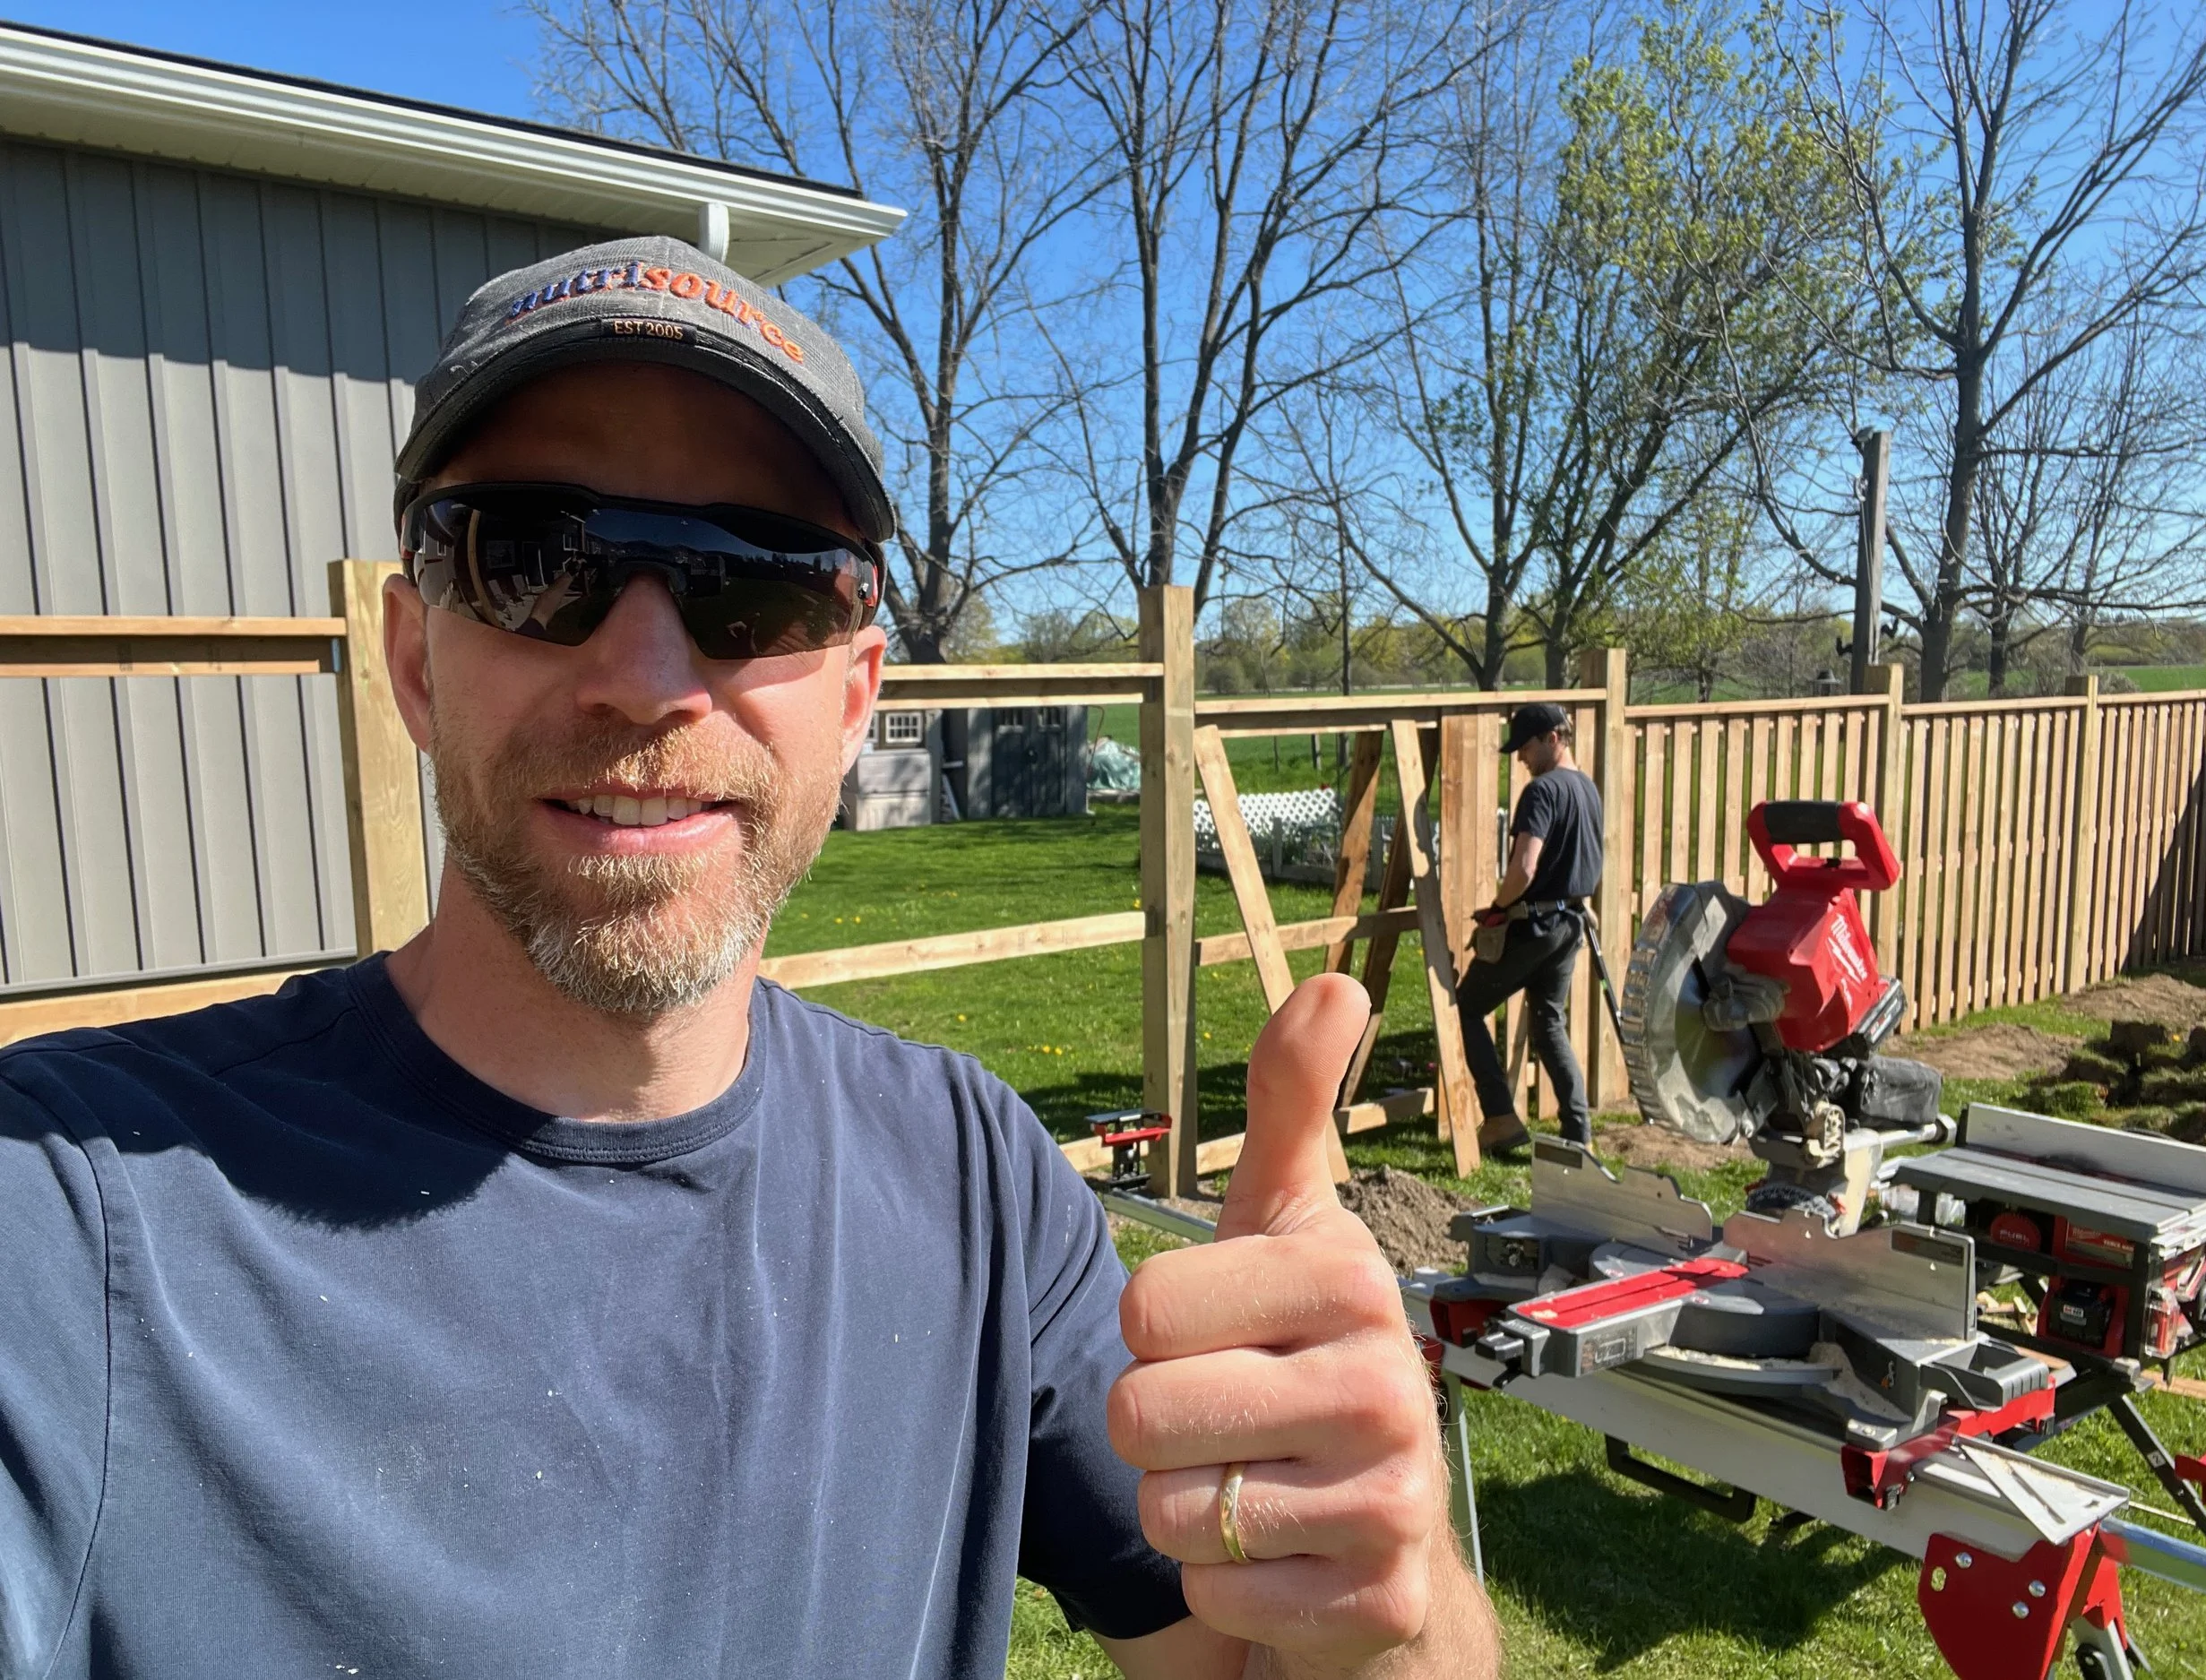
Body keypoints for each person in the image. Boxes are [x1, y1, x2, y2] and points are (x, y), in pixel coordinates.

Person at [0, 237, 1501, 1680]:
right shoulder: (73, 1219)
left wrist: (1390, 1589)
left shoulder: (975, 1182)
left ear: (855, 702)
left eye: (755, 581)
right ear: (412, 658)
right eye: (535, 557)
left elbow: (1257, 1662)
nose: (648, 676)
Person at [1456, 702, 1604, 1154]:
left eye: (1526, 746)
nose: (1521, 757)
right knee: (1548, 1023)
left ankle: (1500, 1118)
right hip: (1571, 923)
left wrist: (1498, 906)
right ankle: (1578, 1134)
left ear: (1553, 739)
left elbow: (1523, 867)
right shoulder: (1587, 790)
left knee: (1466, 1006)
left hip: (1536, 924)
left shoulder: (1543, 792)